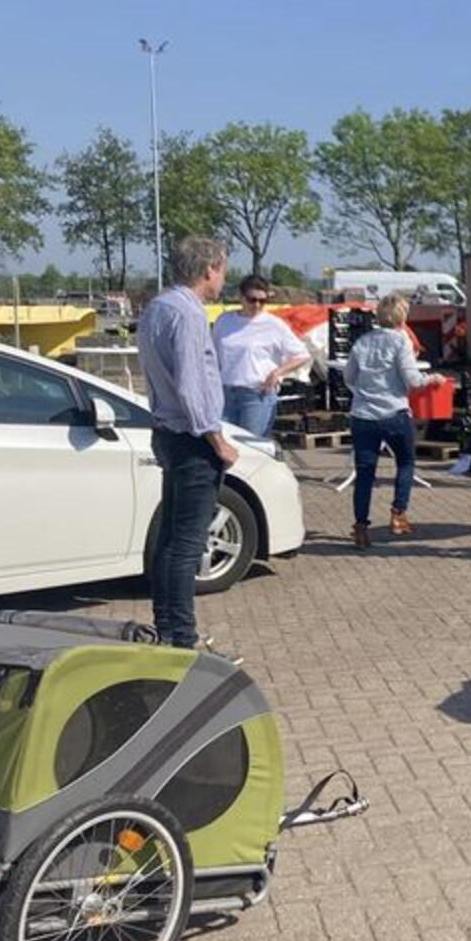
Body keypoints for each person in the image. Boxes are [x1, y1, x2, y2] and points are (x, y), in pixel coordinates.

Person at [137, 236, 236, 648]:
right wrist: (216, 439)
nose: (224, 278)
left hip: (167, 432)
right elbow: (192, 385)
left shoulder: (156, 308)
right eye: (223, 270)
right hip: (192, 438)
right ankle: (181, 637)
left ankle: (167, 627)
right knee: (186, 546)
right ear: (209, 269)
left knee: (168, 540)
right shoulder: (189, 314)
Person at [345, 293, 445, 548]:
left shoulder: (362, 342)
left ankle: (360, 526)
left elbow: (349, 376)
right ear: (403, 316)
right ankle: (398, 513)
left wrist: (364, 392)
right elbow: (413, 380)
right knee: (405, 462)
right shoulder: (401, 342)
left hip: (363, 415)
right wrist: (432, 378)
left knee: (365, 472)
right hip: (394, 413)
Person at [213, 274, 311, 437]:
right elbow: (213, 354)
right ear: (241, 297)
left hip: (256, 395)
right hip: (225, 393)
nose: (257, 305)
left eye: (262, 301)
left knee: (252, 446)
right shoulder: (224, 321)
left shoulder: (274, 325)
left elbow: (302, 355)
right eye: (252, 299)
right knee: (225, 444)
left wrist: (278, 372)